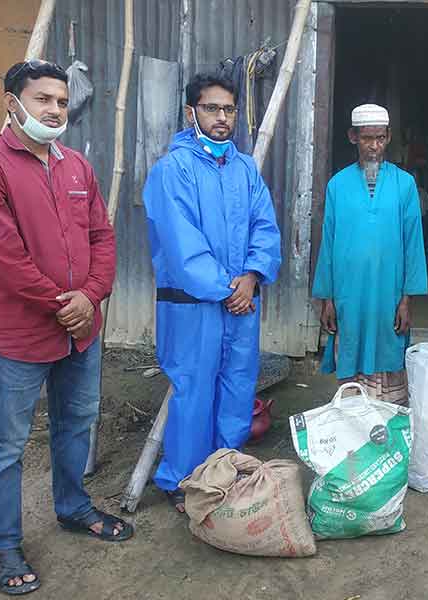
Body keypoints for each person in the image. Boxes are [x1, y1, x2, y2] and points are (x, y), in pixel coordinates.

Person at [0, 59, 128, 596]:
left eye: (61, 101)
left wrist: (91, 295)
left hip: (81, 330)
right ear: (12, 103)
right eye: (42, 100)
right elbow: (0, 253)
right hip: (20, 335)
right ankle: (3, 541)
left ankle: (73, 507)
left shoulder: (76, 166)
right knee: (7, 443)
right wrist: (63, 301)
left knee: (76, 424)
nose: (55, 110)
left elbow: (103, 236)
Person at [143, 73, 282, 513]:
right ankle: (182, 481)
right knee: (194, 392)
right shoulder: (172, 170)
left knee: (238, 388)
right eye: (211, 108)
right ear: (191, 113)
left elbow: (265, 227)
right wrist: (228, 288)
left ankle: (227, 470)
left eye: (229, 110)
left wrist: (254, 275)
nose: (222, 118)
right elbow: (183, 245)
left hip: (241, 300)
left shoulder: (244, 168)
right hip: (195, 306)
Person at [312, 104, 428, 405]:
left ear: (388, 137)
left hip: (389, 292)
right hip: (348, 292)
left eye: (380, 138)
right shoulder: (338, 184)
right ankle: (354, 422)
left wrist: (407, 299)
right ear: (353, 137)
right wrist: (327, 298)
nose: (374, 146)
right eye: (367, 138)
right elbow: (328, 242)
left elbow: (413, 243)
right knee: (351, 344)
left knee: (388, 347)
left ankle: (386, 423)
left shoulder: (404, 184)